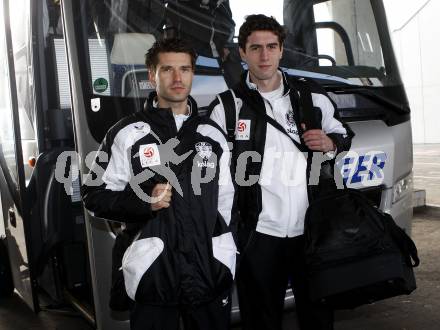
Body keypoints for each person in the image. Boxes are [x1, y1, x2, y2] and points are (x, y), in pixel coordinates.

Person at [209, 14, 354, 330]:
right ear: (243, 53)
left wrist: (330, 141)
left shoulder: (310, 95)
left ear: (281, 49)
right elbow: (208, 166)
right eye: (256, 48)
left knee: (318, 315)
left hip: (311, 231)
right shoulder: (227, 107)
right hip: (258, 236)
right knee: (261, 320)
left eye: (271, 46)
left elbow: (342, 132)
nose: (264, 56)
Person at [81, 38, 237, 330]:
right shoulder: (126, 133)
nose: (177, 78)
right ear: (151, 75)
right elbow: (94, 195)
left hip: (207, 271)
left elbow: (226, 199)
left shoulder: (212, 135)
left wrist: (220, 249)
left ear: (193, 74)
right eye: (167, 69)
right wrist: (143, 201)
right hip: (153, 272)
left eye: (185, 69)